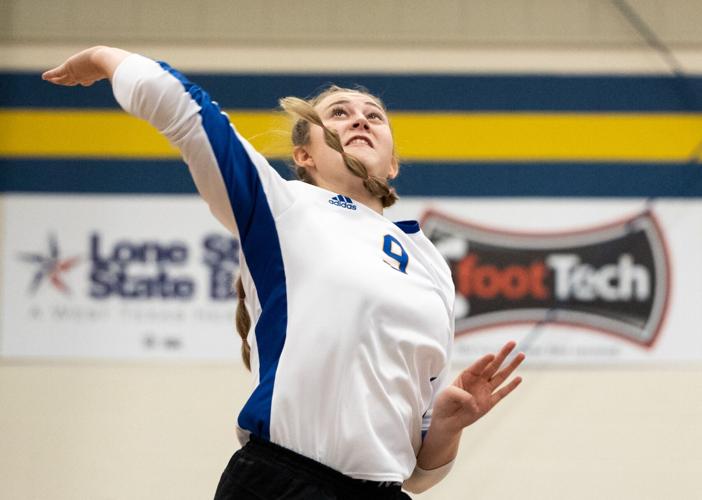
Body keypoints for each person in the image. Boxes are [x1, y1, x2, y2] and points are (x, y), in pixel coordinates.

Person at [43, 46, 525, 500]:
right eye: (338, 113)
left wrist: (447, 425)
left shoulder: (431, 266)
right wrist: (105, 57)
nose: (360, 117)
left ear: (393, 163)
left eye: (374, 115)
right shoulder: (283, 207)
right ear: (304, 157)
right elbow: (187, 112)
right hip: (281, 483)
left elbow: (419, 475)